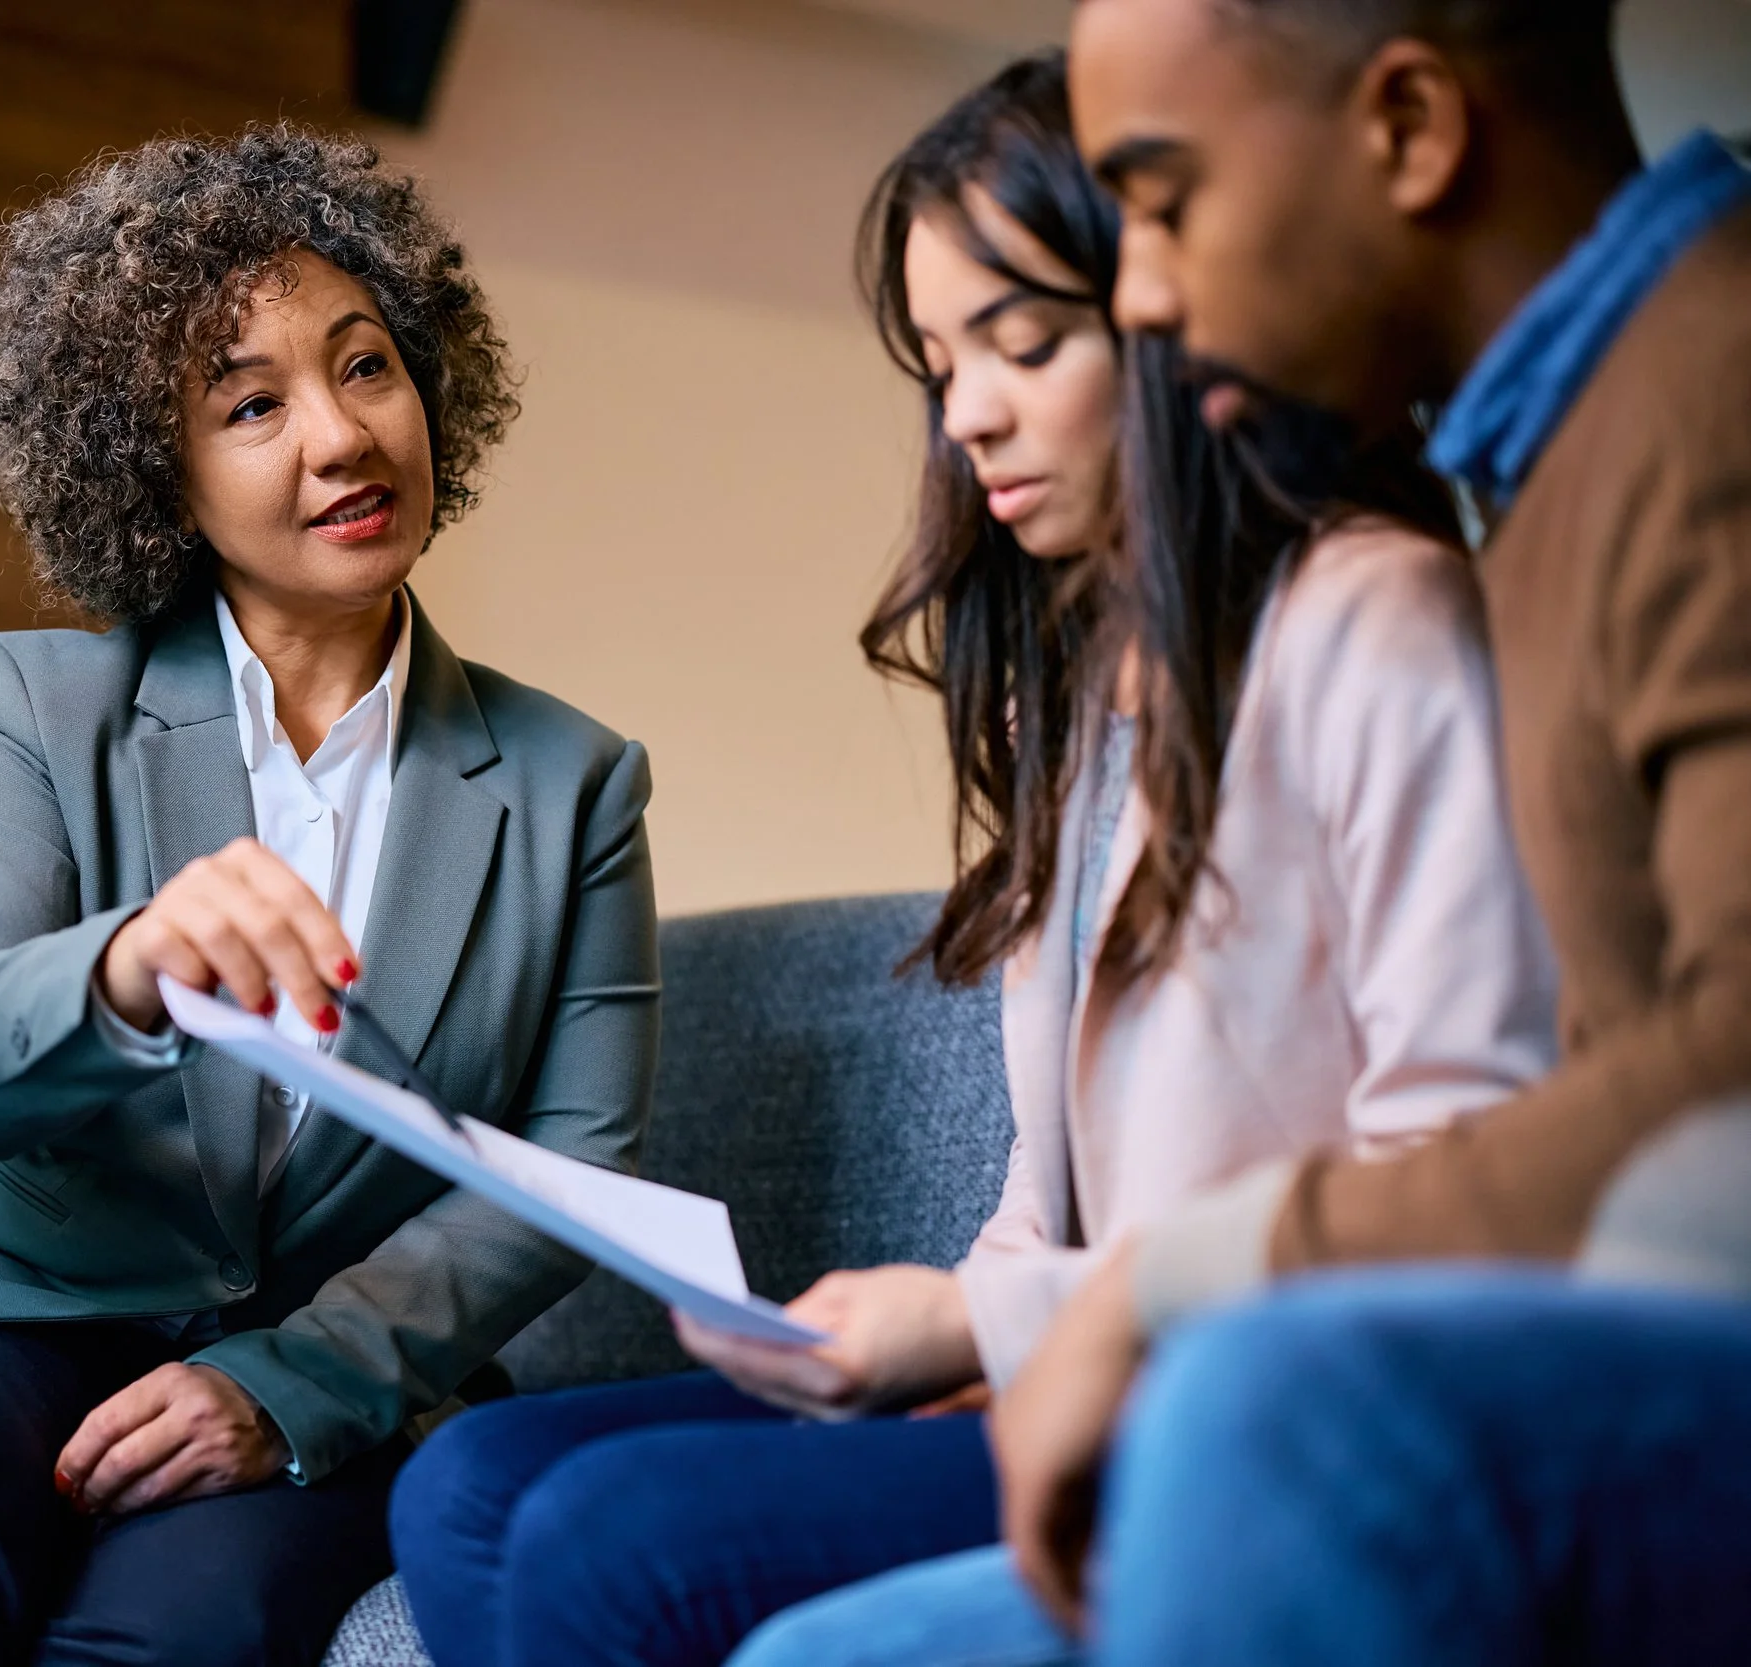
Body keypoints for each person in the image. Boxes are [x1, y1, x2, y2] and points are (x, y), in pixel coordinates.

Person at [384, 54, 1557, 1667]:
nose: (968, 415)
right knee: (462, 1483)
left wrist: (997, 1323)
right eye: (939, 362)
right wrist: (938, 1323)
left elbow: (1463, 1161)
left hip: (1252, 1391)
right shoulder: (1084, 683)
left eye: (1024, 340)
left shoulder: (1382, 621)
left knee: (612, 1541)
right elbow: (1049, 1185)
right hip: (1068, 1357)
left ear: (1171, 304)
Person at [0, 124, 662, 1667]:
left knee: (187, 1630)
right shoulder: (32, 702)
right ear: (155, 469)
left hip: (308, 1356)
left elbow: (568, 1172)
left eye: (367, 366)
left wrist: (292, 1380)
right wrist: (124, 968)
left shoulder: (577, 782)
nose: (342, 436)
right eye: (252, 402)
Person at [964, 0, 1751, 1659]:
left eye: (1166, 202)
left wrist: (1174, 1276)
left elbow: (1733, 1084)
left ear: (1407, 128)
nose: (1147, 296)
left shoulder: (1716, 395)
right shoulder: (1553, 467)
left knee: (1273, 1410)